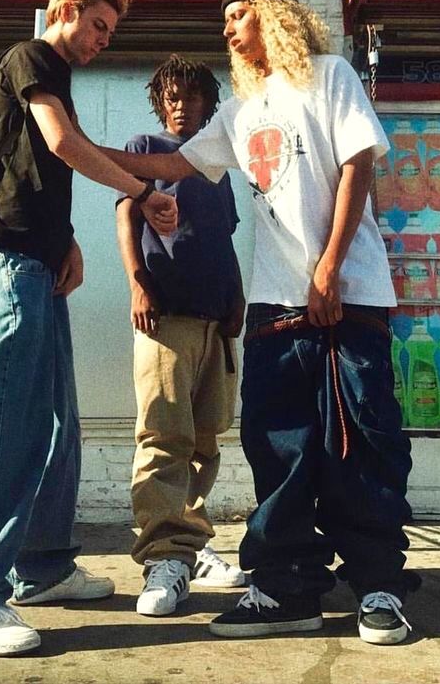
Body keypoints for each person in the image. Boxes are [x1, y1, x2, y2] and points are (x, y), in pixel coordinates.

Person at [102, 0, 419, 645]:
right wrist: (76, 146)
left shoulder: (329, 77)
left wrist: (330, 267)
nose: (225, 30)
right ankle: (284, 588)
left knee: (360, 445)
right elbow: (175, 165)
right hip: (276, 306)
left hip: (349, 297)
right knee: (278, 451)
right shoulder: (241, 109)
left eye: (235, 16)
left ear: (273, 13)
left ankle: (377, 586)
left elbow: (359, 164)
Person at [0, 0, 177, 658]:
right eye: (98, 24)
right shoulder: (33, 56)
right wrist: (142, 193)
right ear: (66, 8)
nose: (102, 40)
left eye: (109, 31)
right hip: (10, 263)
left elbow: (38, 170)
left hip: (38, 260)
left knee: (58, 420)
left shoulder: (54, 73)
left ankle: (41, 566)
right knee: (6, 417)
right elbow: (66, 144)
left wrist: (66, 239)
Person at [116, 54, 246, 617]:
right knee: (163, 436)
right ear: (158, 101)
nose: (179, 103)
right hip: (165, 316)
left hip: (216, 319)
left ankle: (191, 545)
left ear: (207, 103)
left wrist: (239, 296)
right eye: (170, 94)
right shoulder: (145, 147)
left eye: (191, 95)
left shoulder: (213, 165)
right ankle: (163, 559)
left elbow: (225, 239)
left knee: (206, 440)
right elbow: (127, 214)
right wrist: (138, 283)